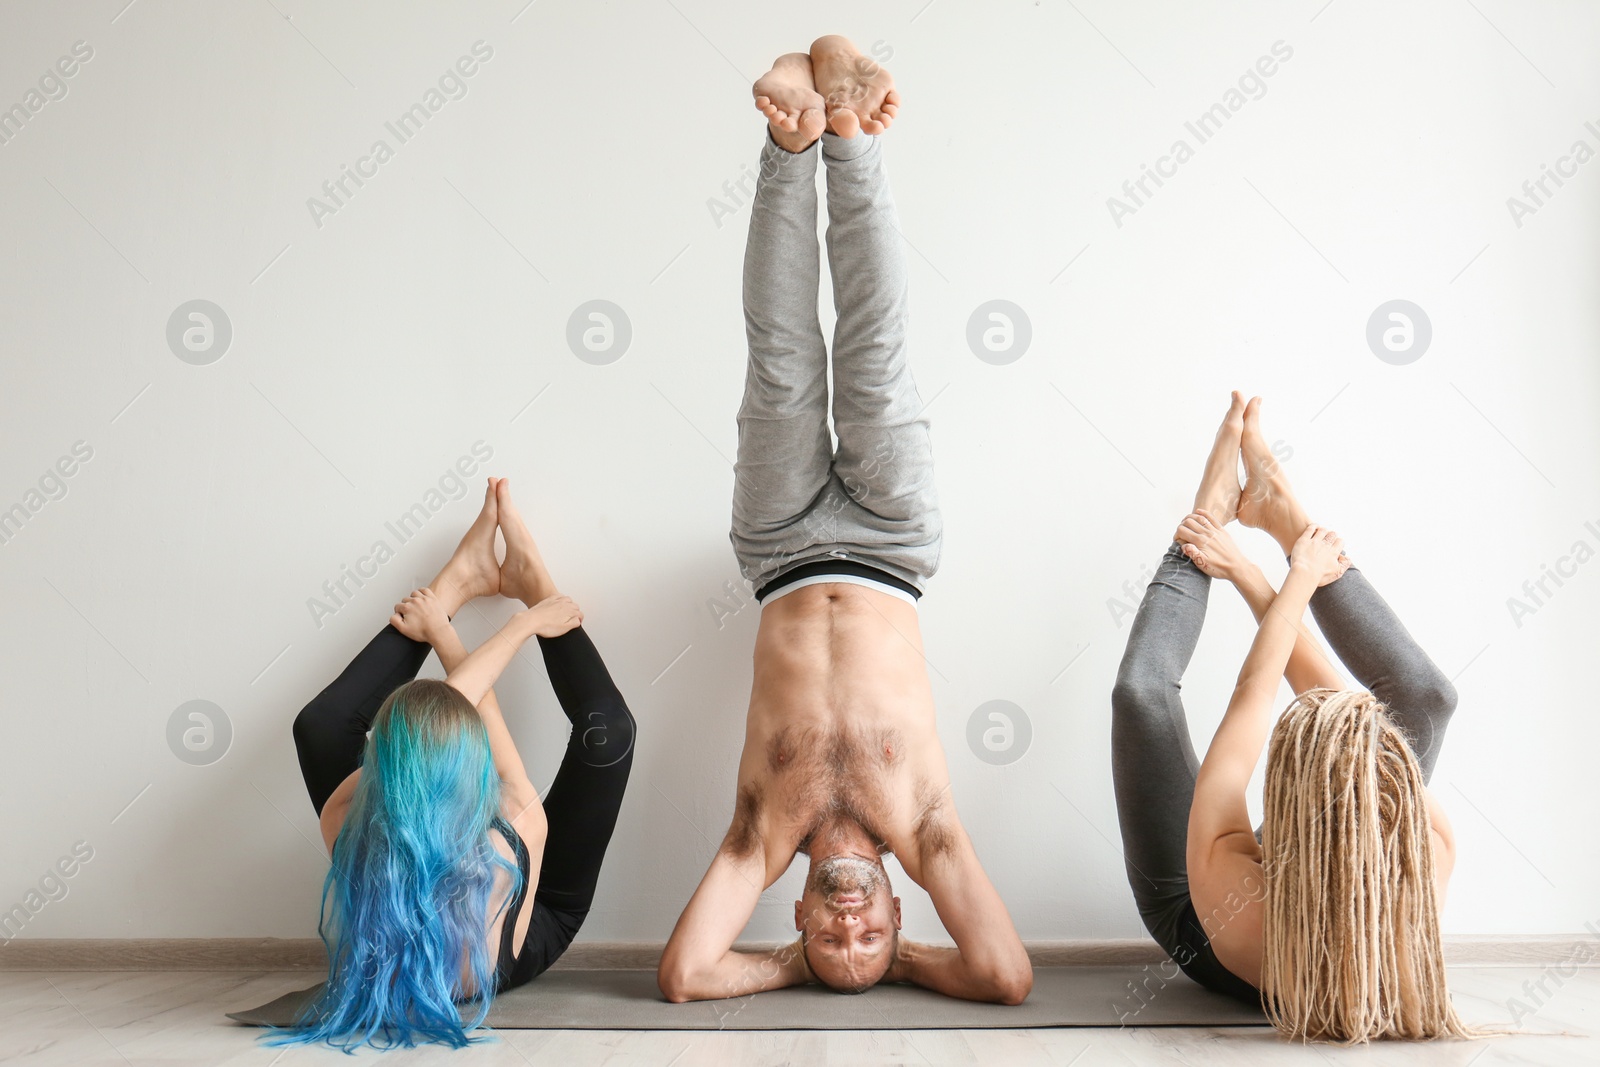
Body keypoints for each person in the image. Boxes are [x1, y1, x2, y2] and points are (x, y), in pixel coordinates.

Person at [657, 36, 1032, 1005]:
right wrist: (903, 964)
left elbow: (688, 973)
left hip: (780, 546)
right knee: (876, 342)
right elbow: (1003, 973)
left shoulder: (762, 833)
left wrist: (793, 970)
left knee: (779, 349)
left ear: (799, 918)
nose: (851, 924)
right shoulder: (927, 825)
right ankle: (853, 134)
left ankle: (793, 135)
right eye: (874, 936)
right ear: (904, 908)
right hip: (890, 545)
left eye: (836, 942)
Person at [1110, 393, 1476, 1042]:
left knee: (1140, 697)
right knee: (1428, 699)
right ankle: (1287, 517)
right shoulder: (1430, 839)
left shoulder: (1235, 890)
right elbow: (1357, 720)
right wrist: (1286, 558)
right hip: (1302, 890)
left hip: (1201, 919)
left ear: (1283, 798)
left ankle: (1207, 515)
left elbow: (1255, 689)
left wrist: (1254, 571)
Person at [276, 478, 635, 1049]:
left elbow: (429, 726)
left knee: (318, 729)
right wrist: (524, 621)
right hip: (527, 929)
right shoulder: (515, 825)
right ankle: (537, 588)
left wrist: (444, 615)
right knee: (610, 736)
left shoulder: (343, 817)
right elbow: (477, 708)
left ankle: (455, 584)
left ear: (379, 764)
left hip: (474, 896)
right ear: (476, 765)